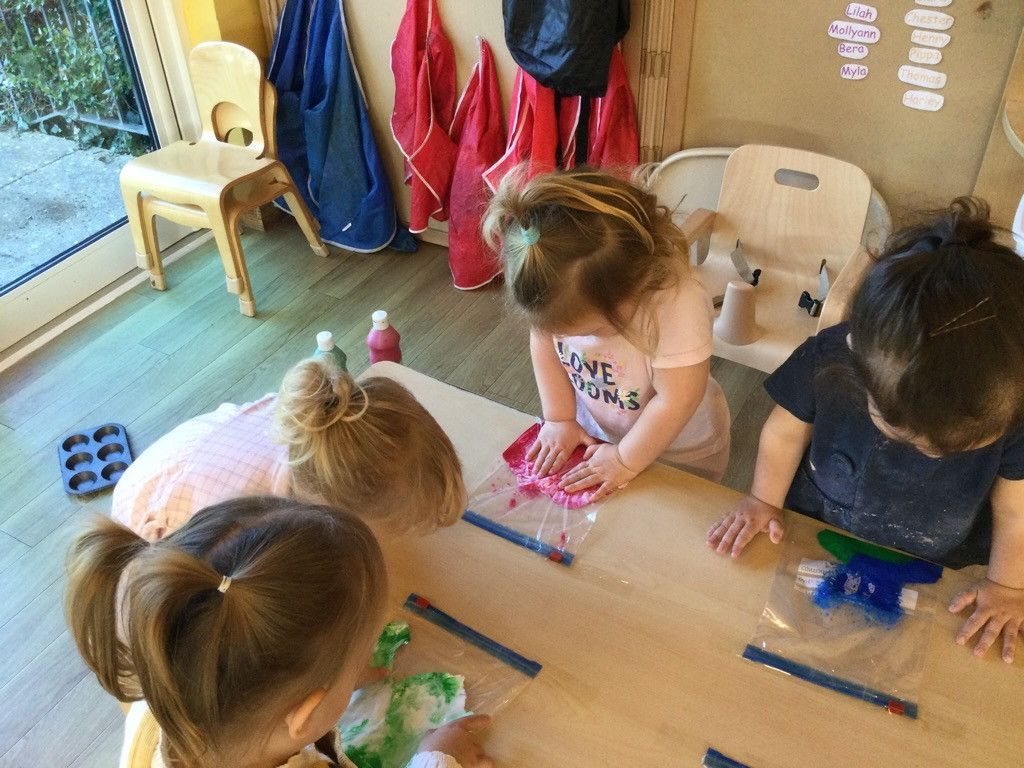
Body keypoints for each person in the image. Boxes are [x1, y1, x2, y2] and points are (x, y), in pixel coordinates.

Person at [708, 198, 1024, 663]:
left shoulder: (1013, 399)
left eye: (961, 443)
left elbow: (1016, 510)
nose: (933, 453)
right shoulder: (831, 359)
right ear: (858, 359)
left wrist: (1007, 585)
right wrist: (762, 500)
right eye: (907, 433)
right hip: (819, 525)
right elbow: (783, 434)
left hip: (934, 559)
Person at [66, 495, 492, 767]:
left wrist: (328, 676)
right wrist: (438, 757)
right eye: (358, 654)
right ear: (304, 716)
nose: (364, 658)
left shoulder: (165, 692)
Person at [482, 167, 730, 498]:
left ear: (638, 284)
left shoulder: (678, 306)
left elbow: (677, 401)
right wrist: (559, 419)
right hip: (604, 431)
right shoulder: (557, 296)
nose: (578, 340)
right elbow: (543, 341)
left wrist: (626, 460)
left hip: (679, 448)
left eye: (592, 330)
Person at [111, 358, 465, 540]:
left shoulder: (319, 419)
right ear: (333, 514)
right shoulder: (250, 527)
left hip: (191, 456)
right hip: (152, 518)